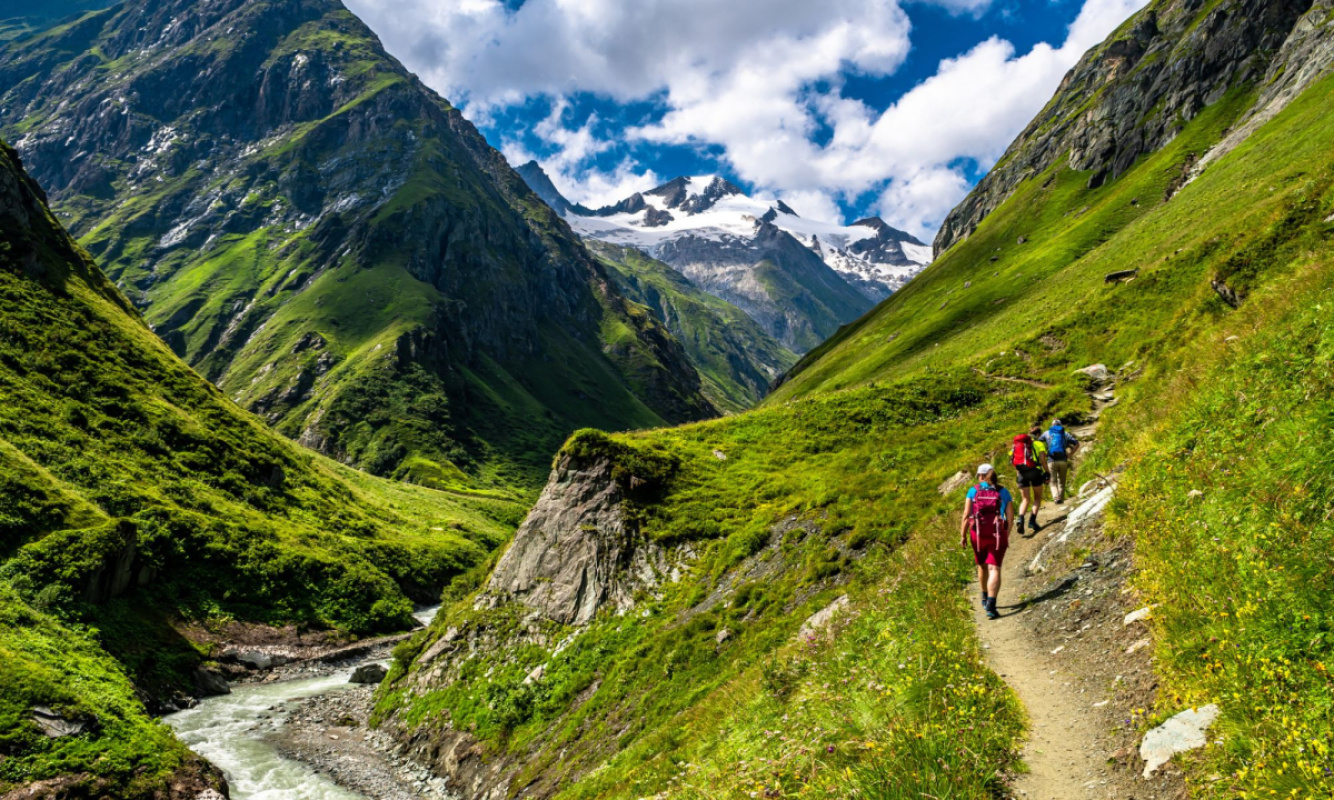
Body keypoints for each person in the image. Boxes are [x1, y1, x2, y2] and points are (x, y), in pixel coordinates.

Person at [961, 464, 1013, 620]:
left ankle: (984, 597)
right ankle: (991, 604)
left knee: (981, 565)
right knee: (994, 568)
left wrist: (962, 536)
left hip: (977, 533)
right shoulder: (1003, 492)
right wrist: (1005, 534)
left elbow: (966, 515)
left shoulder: (973, 491)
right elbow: (1010, 517)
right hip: (997, 533)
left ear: (981, 476)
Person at [1011, 430, 1045, 536]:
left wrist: (1019, 477)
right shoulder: (1037, 444)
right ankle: (1032, 521)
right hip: (1035, 471)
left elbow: (1015, 463)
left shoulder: (1015, 448)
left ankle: (1020, 519)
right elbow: (1043, 460)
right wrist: (1047, 472)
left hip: (1021, 473)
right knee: (1037, 498)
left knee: (1025, 499)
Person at [1040, 419, 1080, 503]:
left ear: (1052, 425)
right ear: (1060, 425)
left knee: (1052, 481)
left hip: (1051, 460)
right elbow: (1077, 444)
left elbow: (1038, 443)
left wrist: (1044, 454)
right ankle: (1060, 499)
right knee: (1061, 482)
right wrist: (1070, 454)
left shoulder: (1046, 433)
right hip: (1063, 460)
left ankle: (1056, 497)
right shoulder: (1065, 433)